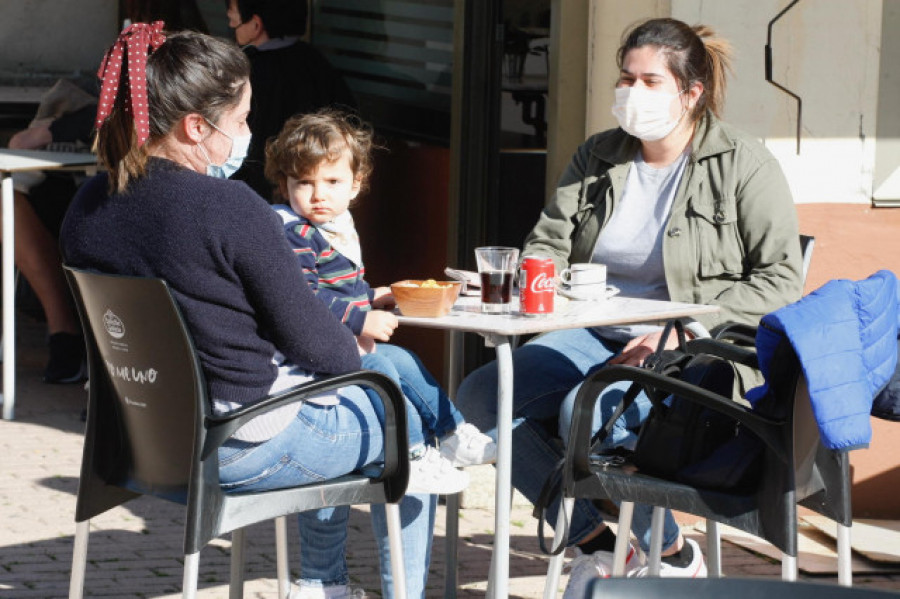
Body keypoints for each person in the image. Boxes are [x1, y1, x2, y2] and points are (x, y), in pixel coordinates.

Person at [60, 24, 434, 599]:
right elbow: (325, 350)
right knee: (408, 426)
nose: (247, 135)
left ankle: (322, 586)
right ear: (195, 126)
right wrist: (356, 334)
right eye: (240, 121)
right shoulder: (228, 206)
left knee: (371, 398)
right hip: (244, 445)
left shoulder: (89, 200)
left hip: (137, 443)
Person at [456, 17, 803, 598]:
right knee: (481, 398)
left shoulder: (744, 164)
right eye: (626, 77)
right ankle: (598, 545)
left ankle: (669, 552)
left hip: (691, 347)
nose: (631, 93)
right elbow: (547, 244)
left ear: (690, 93)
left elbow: (781, 280)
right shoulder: (599, 155)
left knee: (583, 416)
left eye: (649, 81)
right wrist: (530, 284)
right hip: (590, 330)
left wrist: (675, 328)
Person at [264, 109, 497, 495]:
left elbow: (340, 290)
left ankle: (453, 432)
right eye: (304, 182)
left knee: (405, 361)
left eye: (332, 181)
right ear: (284, 184)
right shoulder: (293, 231)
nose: (319, 194)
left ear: (356, 184)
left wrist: (380, 294)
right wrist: (361, 318)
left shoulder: (335, 225)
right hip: (315, 360)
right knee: (384, 369)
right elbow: (303, 297)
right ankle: (414, 454)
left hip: (342, 346)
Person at [3, 83, 97, 384]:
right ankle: (63, 332)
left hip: (106, 199)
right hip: (56, 197)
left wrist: (47, 132)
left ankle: (84, 343)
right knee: (6, 204)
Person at [225, 0, 357, 200]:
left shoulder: (247, 71)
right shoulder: (316, 62)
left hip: (259, 190)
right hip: (315, 185)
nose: (230, 21)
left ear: (255, 25)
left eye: (233, 16)